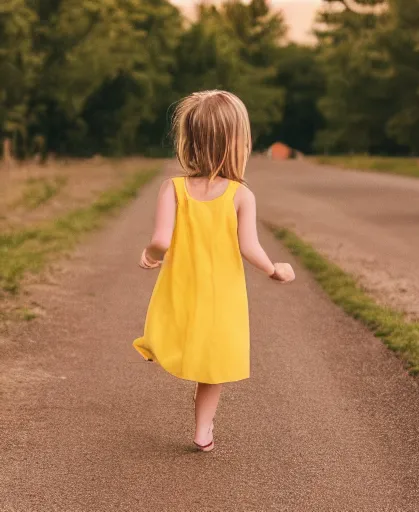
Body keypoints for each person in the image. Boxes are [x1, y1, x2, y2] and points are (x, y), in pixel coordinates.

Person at [133, 90, 295, 452]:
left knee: (173, 324)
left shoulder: (172, 188)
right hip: (223, 294)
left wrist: (150, 254)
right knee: (214, 366)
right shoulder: (240, 195)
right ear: (238, 142)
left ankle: (155, 346)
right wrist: (274, 269)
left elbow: (161, 239)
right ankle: (203, 430)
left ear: (189, 140)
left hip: (183, 285)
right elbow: (249, 247)